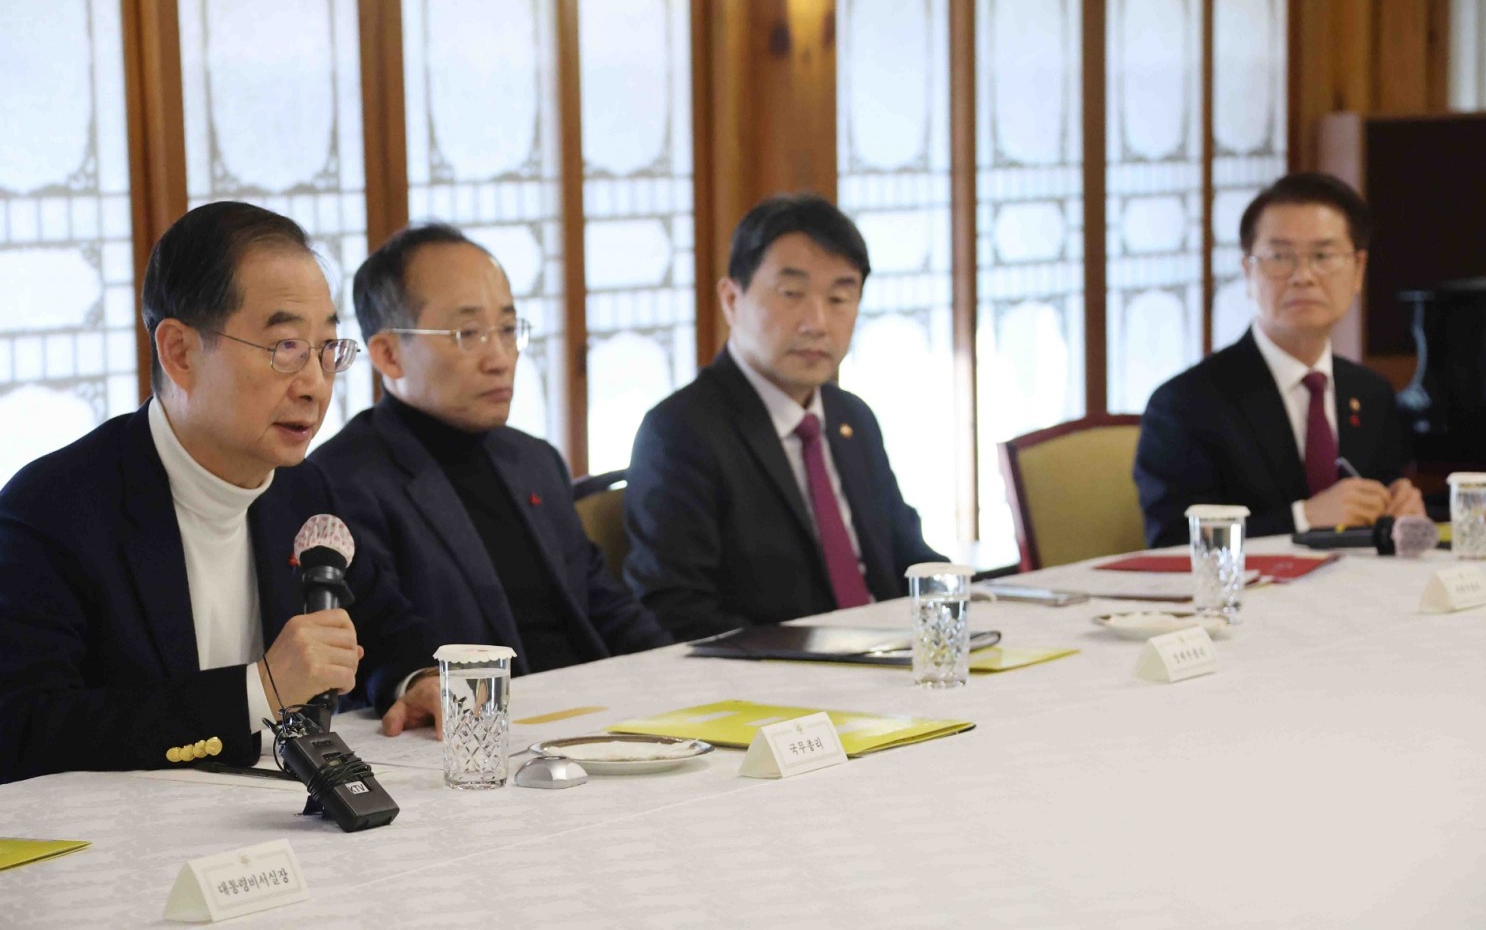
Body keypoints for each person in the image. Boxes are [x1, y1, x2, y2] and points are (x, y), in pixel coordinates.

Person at [0, 202, 443, 784]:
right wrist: (259, 691)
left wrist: (417, 681)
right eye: (286, 347)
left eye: (328, 349)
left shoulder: (302, 490)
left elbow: (383, 627)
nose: (314, 385)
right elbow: (23, 728)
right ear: (179, 353)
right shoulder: (53, 511)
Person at [309, 224, 670, 674]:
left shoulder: (534, 460)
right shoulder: (343, 482)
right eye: (468, 333)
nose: (500, 357)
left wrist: (681, 675)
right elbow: (385, 654)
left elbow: (608, 608)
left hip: (591, 704)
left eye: (507, 328)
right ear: (388, 355)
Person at [624, 193, 945, 641]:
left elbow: (907, 556)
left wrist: (961, 608)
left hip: (887, 663)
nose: (816, 322)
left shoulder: (852, 417)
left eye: (839, 297)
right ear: (731, 298)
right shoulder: (681, 431)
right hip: (778, 686)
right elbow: (677, 610)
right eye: (792, 294)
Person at [1134, 172, 1425, 548]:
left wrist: (1401, 512)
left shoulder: (1372, 393)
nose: (1303, 276)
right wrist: (1303, 518)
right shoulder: (1184, 404)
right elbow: (1172, 545)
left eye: (1323, 256)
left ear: (1358, 270)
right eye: (1280, 257)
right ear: (1248, 270)